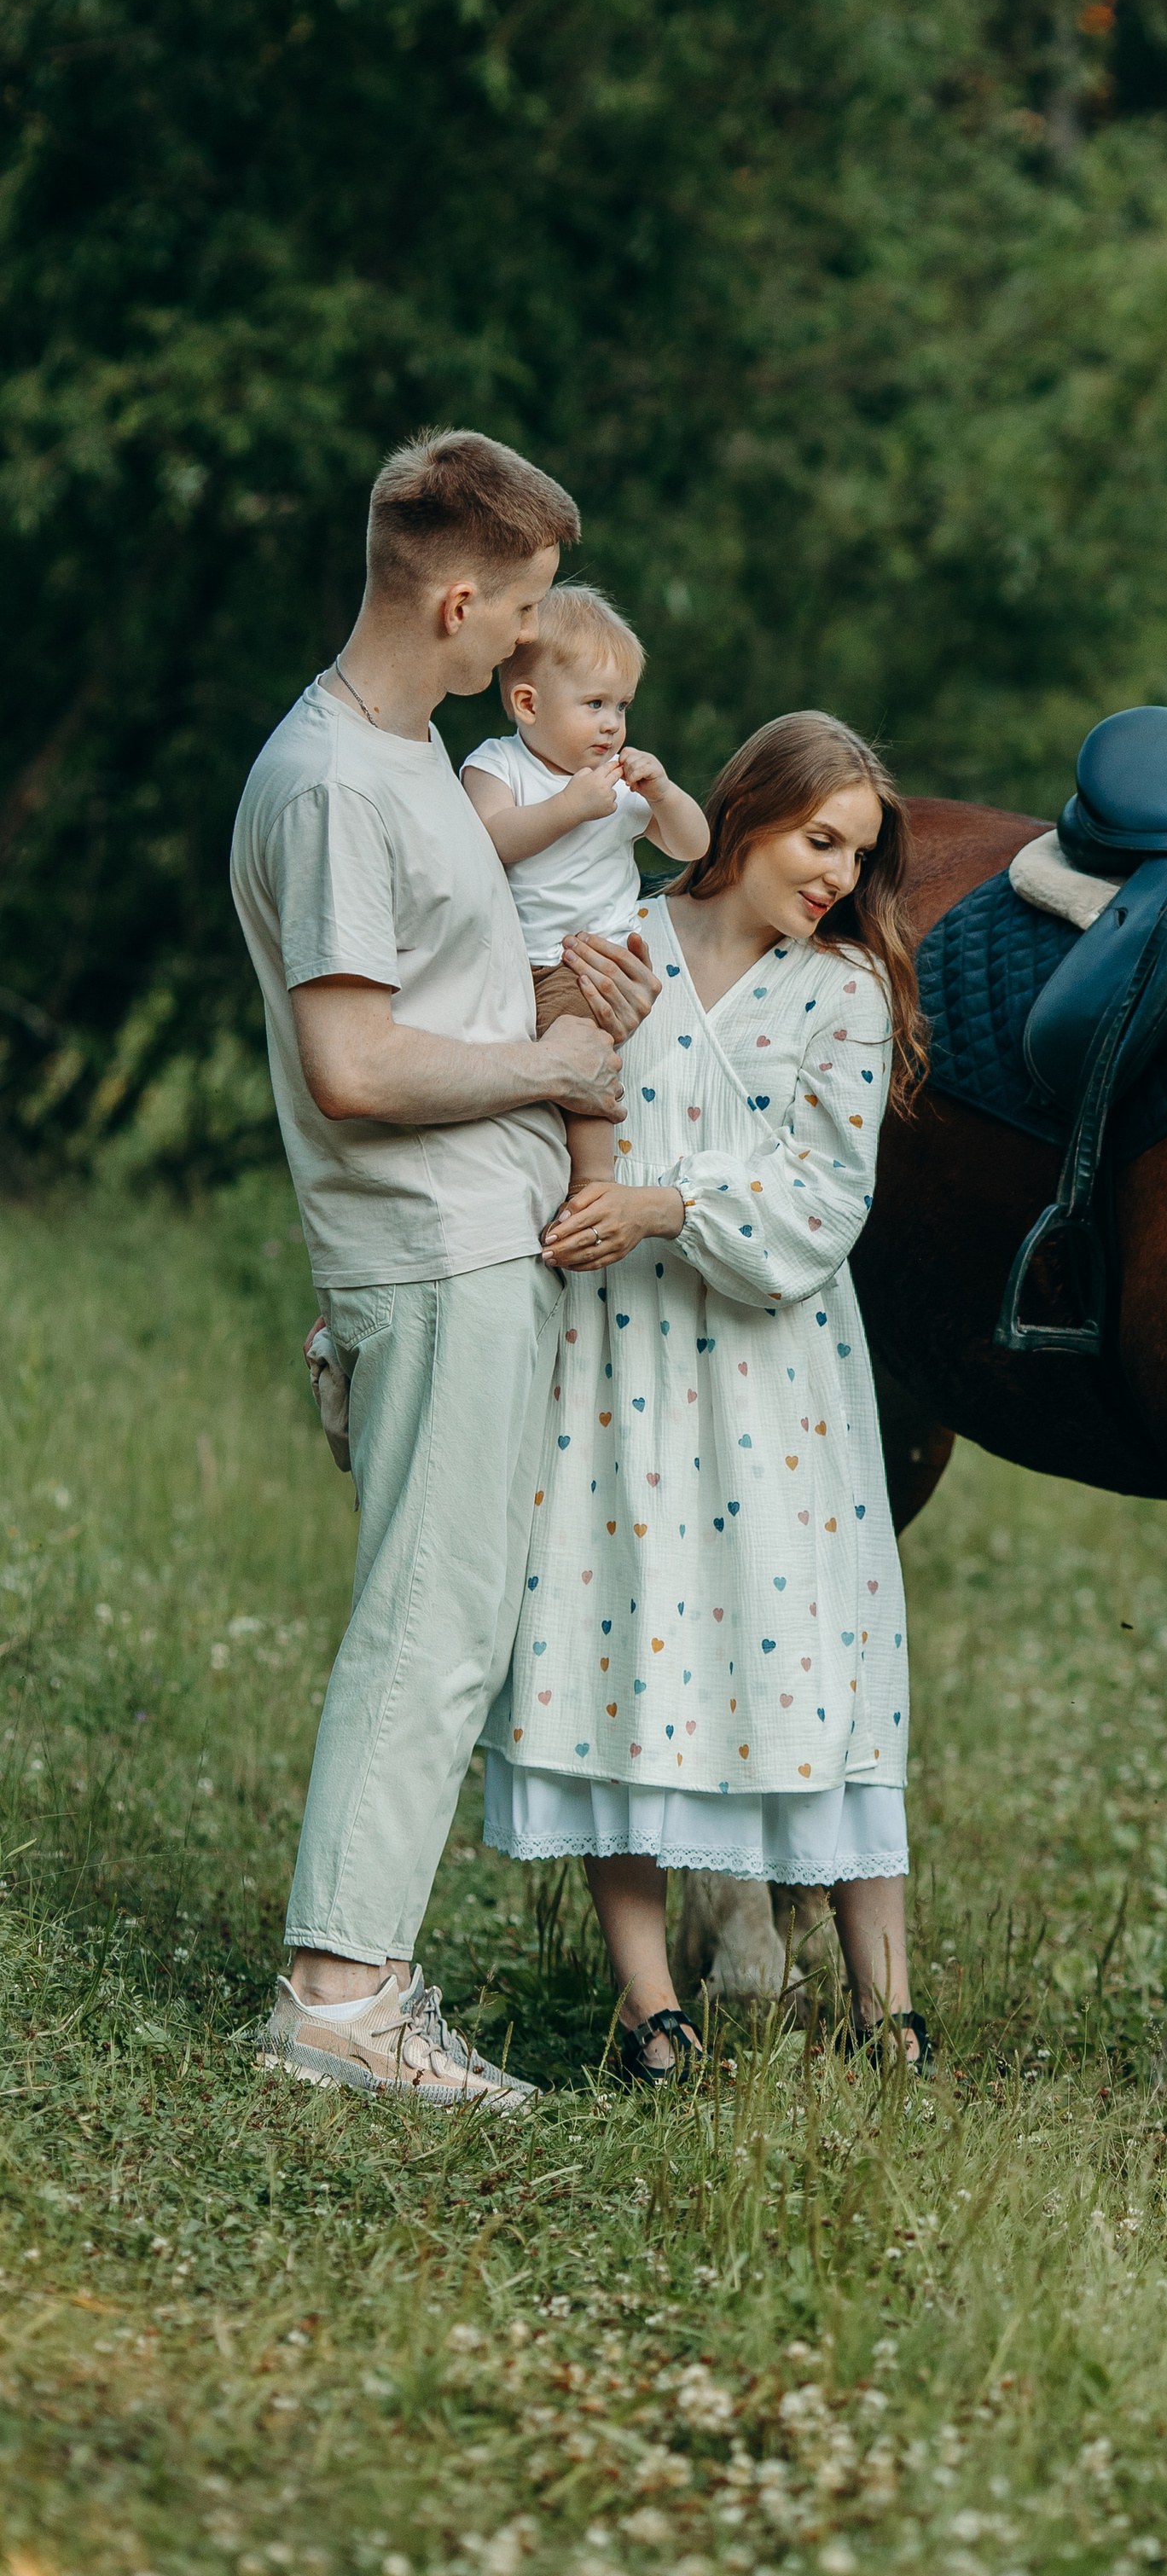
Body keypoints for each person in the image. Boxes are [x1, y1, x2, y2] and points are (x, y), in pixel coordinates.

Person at [229, 426, 661, 2111]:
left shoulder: (410, 761)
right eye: (529, 607)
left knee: (455, 1613)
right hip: (433, 1250)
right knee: (429, 1616)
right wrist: (552, 1068)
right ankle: (341, 2004)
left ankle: (358, 1987)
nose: (538, 638)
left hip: (477, 1236)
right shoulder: (338, 784)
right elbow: (351, 1065)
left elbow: (440, 1006)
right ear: (461, 600)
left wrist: (565, 1010)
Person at [475, 712, 931, 2081]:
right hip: (613, 1357)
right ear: (745, 815)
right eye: (820, 841)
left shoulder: (845, 993)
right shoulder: (613, 938)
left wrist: (663, 1202)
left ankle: (888, 2007)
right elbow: (534, 1105)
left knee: (815, 1653)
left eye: (858, 856)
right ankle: (650, 2006)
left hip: (778, 1370)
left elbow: (824, 1198)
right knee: (618, 1636)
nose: (839, 877)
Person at [459, 583, 710, 1198]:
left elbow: (692, 845)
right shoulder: (497, 766)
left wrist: (663, 794)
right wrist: (569, 808)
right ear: (528, 703)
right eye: (594, 703)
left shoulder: (616, 785)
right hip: (514, 961)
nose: (612, 724)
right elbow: (489, 840)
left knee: (580, 1043)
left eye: (622, 706)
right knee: (533, 1077)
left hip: (591, 963)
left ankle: (593, 1181)